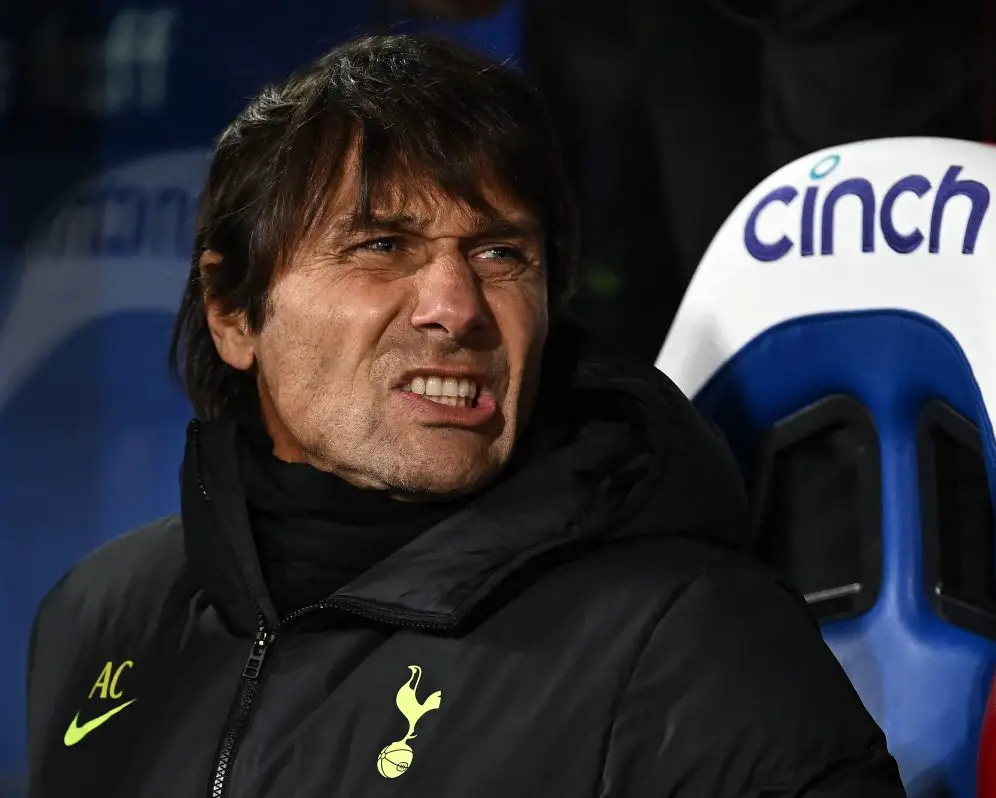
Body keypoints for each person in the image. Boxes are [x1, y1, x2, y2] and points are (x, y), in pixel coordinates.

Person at [25, 35, 905, 797]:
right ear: (234, 311)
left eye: (499, 252)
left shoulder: (694, 641)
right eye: (381, 246)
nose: (456, 305)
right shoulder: (99, 614)